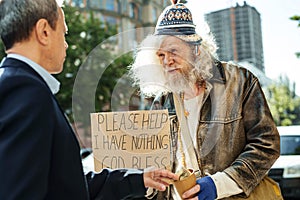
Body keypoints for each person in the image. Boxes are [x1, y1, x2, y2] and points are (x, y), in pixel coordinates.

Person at [0, 0, 178, 199]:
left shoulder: (22, 86)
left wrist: (138, 179)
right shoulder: (25, 90)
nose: (66, 44)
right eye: (64, 33)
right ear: (44, 32)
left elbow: (66, 184)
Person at [129, 0, 281, 199]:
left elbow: (267, 143)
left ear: (196, 49)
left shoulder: (240, 81)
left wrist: (218, 185)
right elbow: (155, 165)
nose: (167, 61)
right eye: (161, 55)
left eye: (173, 51)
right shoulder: (162, 102)